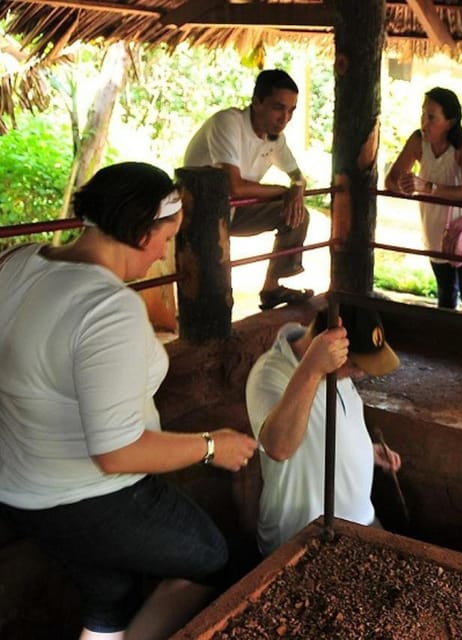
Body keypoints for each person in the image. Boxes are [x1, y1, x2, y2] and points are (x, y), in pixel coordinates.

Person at [0, 162, 258, 640]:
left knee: (110, 589)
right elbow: (116, 453)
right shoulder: (106, 308)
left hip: (16, 485)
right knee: (212, 558)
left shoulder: (17, 263)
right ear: (142, 233)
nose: (164, 252)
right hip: (86, 496)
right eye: (166, 238)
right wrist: (210, 446)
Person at [245, 303, 403, 556]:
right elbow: (279, 446)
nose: (361, 373)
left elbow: (328, 427)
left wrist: (366, 451)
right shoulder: (270, 374)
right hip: (305, 537)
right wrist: (312, 369)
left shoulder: (338, 370)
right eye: (354, 364)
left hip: (360, 520)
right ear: (327, 344)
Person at [184, 69, 313, 311]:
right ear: (256, 102)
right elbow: (233, 186)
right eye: (278, 107)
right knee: (212, 300)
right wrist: (284, 191)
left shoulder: (275, 138)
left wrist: (296, 187)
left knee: (298, 215)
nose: (285, 117)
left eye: (291, 110)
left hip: (234, 211)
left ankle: (271, 288)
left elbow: (297, 175)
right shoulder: (228, 122)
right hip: (201, 217)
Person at [385, 87, 462, 314]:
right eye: (423, 115)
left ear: (450, 122)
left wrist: (427, 187)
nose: (424, 122)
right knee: (445, 296)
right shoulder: (417, 141)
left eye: (431, 117)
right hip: (434, 231)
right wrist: (405, 187)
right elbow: (391, 180)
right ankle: (447, 344)